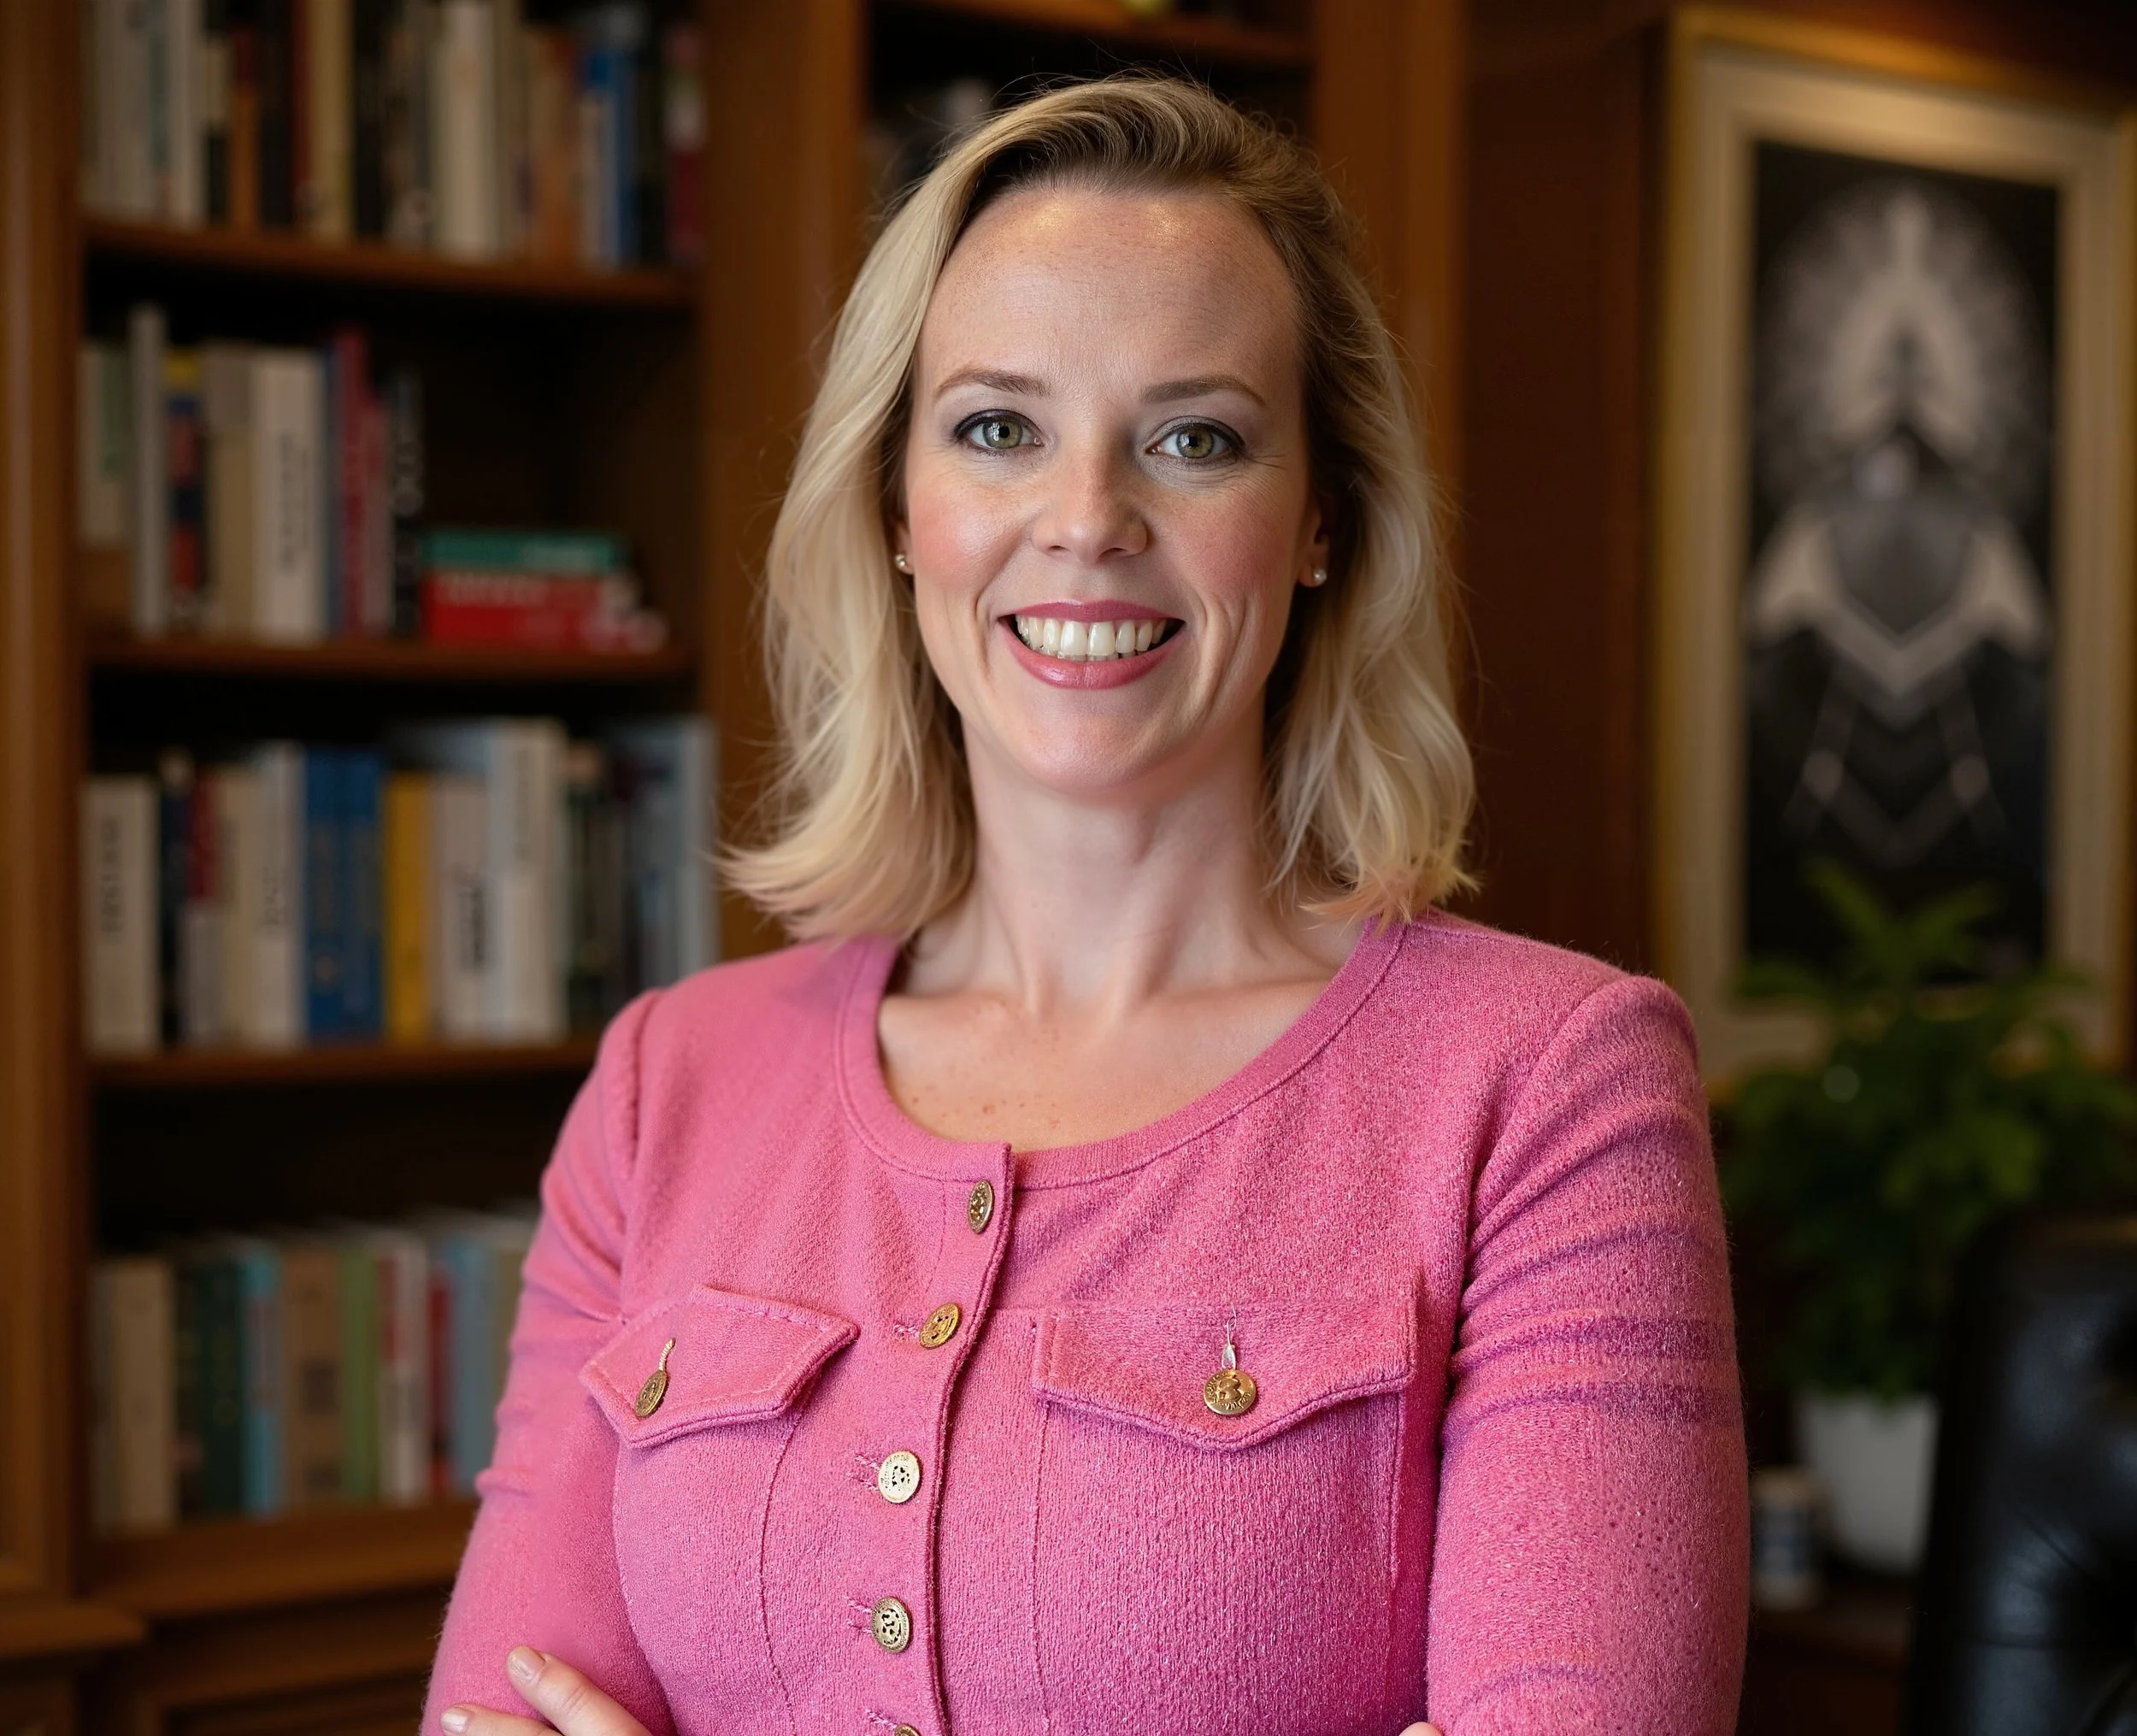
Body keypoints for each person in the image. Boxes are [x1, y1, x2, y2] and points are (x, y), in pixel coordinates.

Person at [424, 75, 1748, 1736]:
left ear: (1320, 517)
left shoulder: (1546, 1082)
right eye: (994, 427)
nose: (1084, 521)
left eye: (1193, 438)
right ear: (896, 509)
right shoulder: (663, 1085)